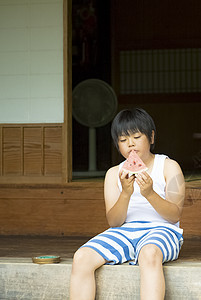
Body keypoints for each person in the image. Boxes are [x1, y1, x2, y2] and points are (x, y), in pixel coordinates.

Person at [70, 108, 185, 299]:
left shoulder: (169, 167)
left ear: (152, 137)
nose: (130, 144)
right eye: (123, 140)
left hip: (163, 230)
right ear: (117, 145)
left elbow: (174, 215)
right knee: (81, 257)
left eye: (137, 137)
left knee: (149, 253)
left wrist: (149, 194)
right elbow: (114, 222)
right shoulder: (113, 174)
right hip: (123, 231)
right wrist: (125, 193)